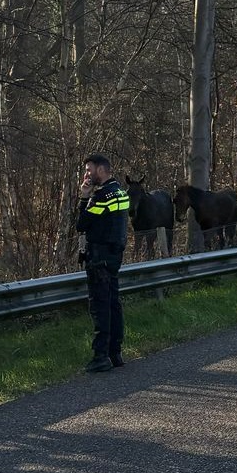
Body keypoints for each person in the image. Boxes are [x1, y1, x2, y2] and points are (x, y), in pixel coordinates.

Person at [76, 153, 130, 372]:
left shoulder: (102, 197)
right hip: (115, 255)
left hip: (98, 258)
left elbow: (82, 224)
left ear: (100, 170)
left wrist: (83, 197)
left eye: (89, 170)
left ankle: (100, 356)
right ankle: (115, 353)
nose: (86, 174)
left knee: (100, 307)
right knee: (113, 304)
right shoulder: (120, 192)